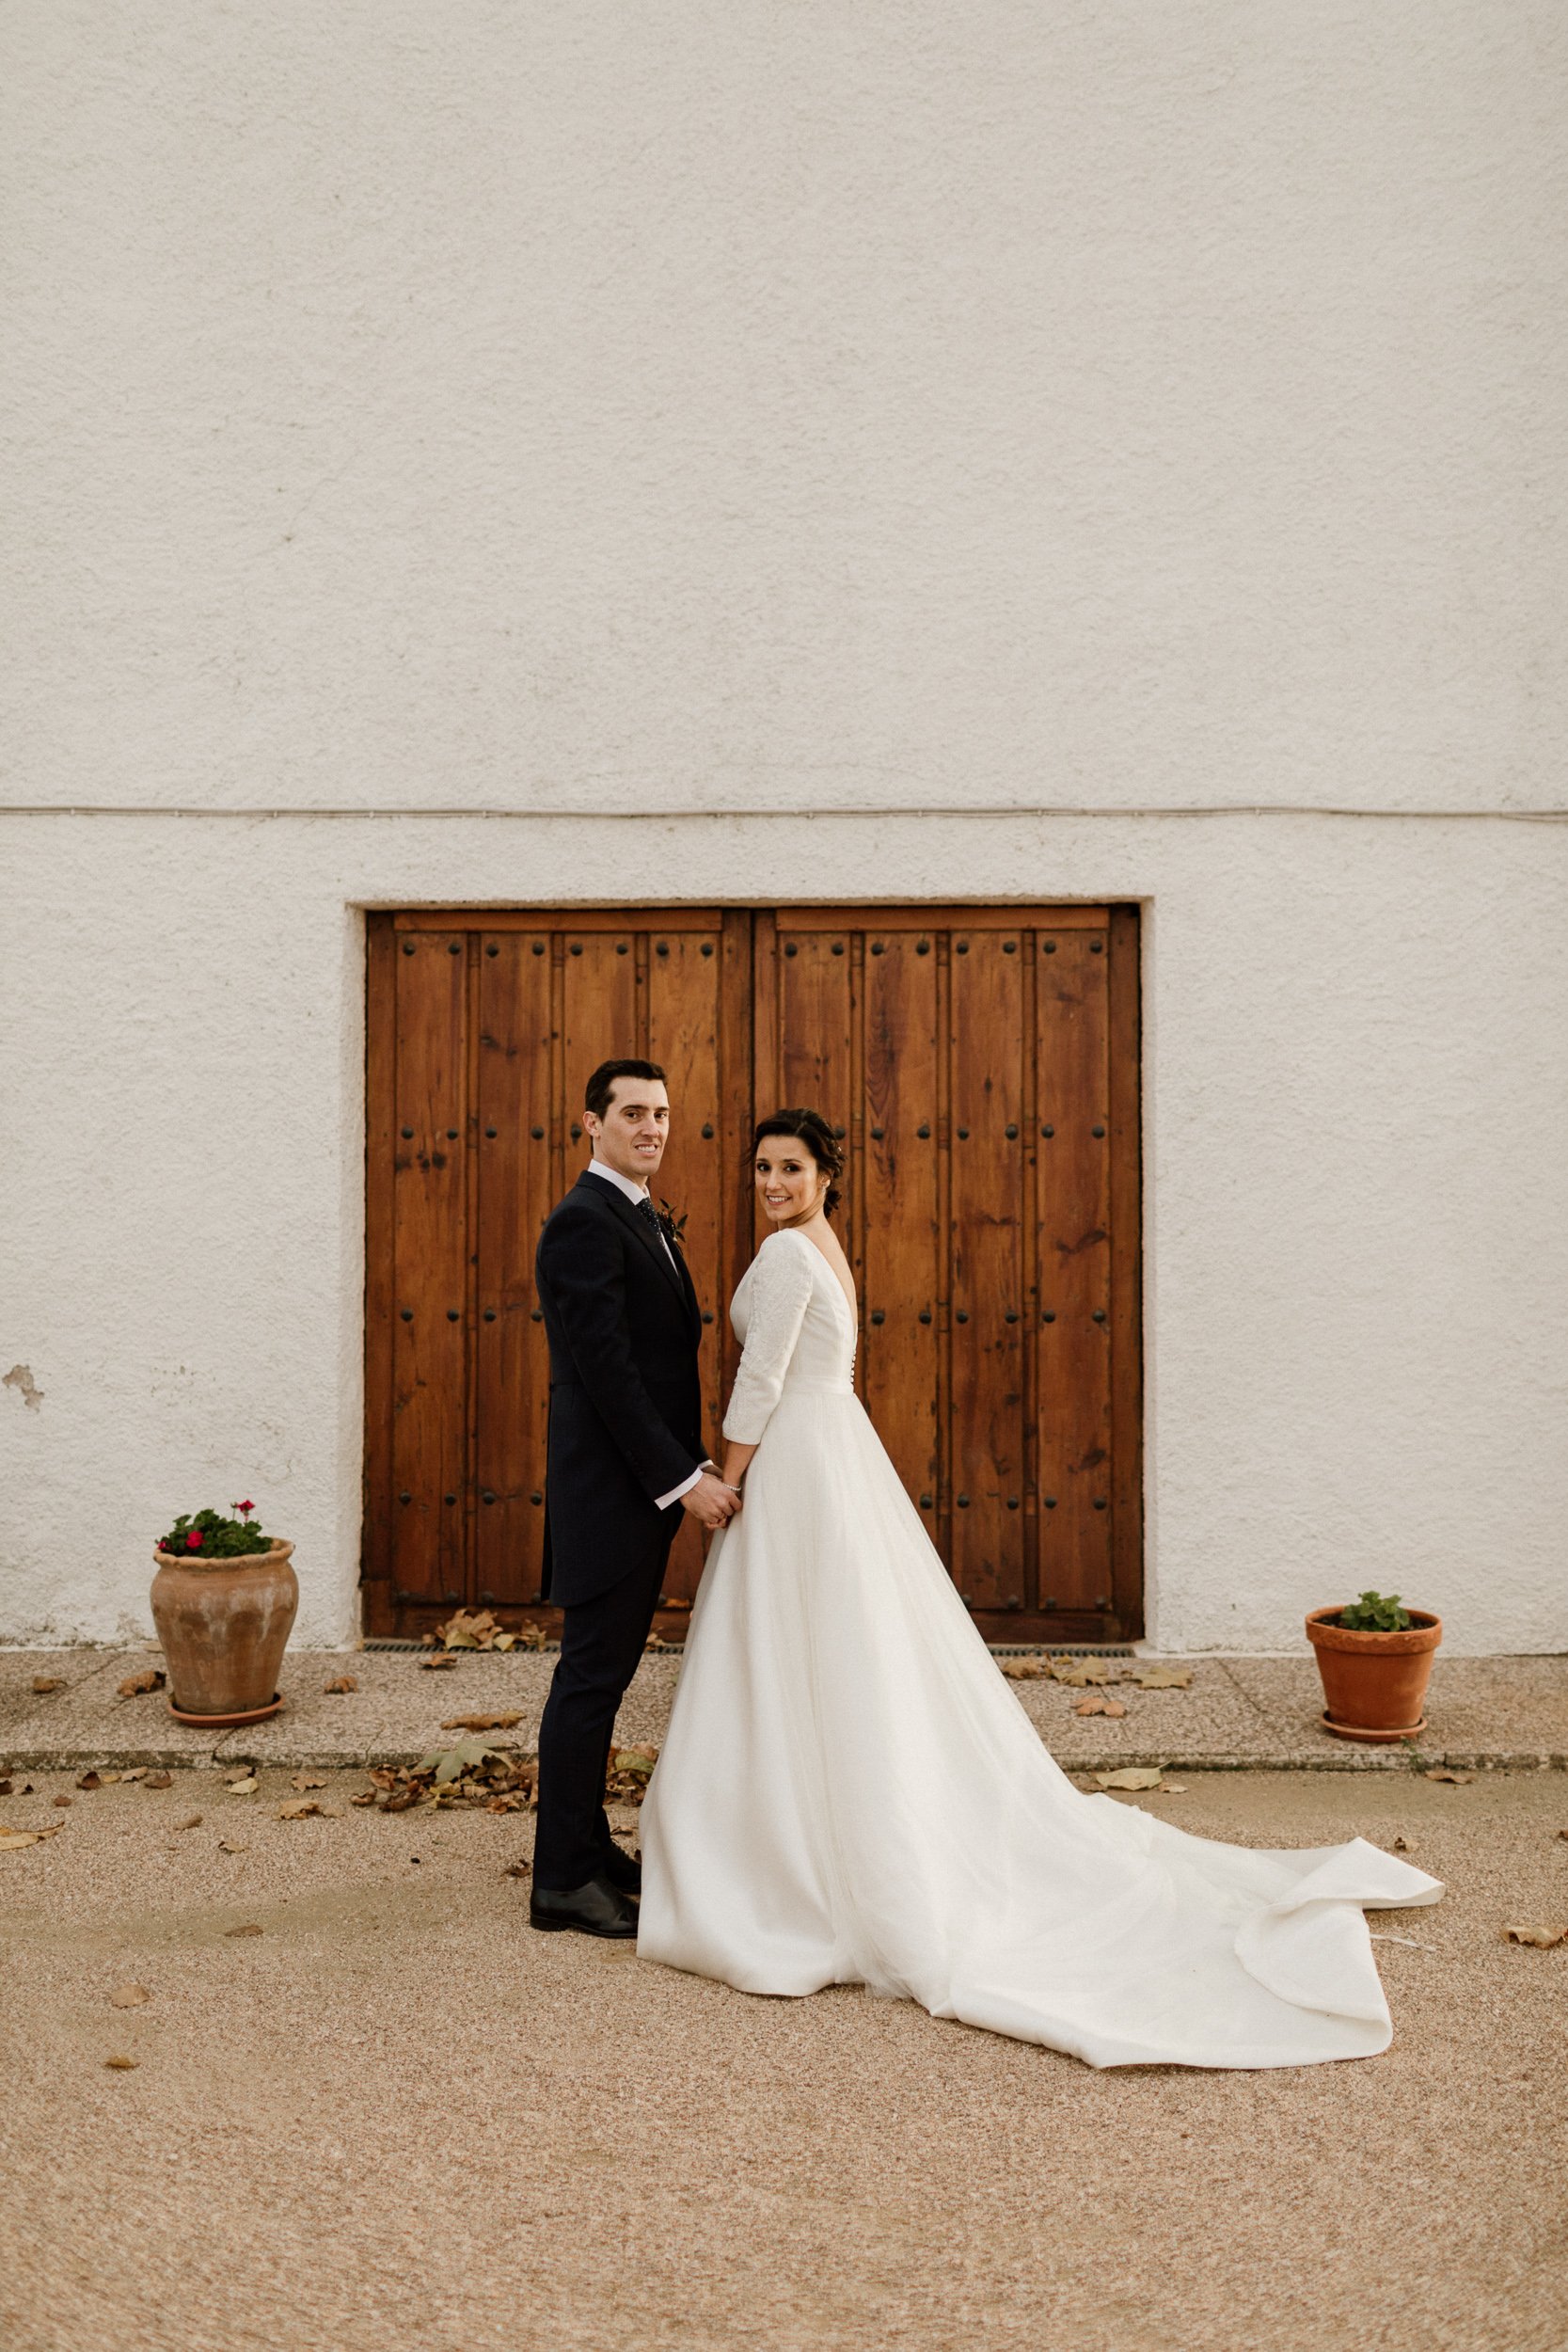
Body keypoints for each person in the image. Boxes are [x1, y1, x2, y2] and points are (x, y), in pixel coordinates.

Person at [636, 1107, 1445, 2069]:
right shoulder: (821, 1245)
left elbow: (762, 1378)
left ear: (826, 1175)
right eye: (761, 1168)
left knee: (792, 1647)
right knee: (842, 1647)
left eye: (790, 1168)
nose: (770, 1183)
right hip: (836, 1454)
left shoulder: (781, 1258)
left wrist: (726, 1478)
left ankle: (784, 1856)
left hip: (797, 1461)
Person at [530, 1058, 737, 1940]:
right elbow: (609, 1375)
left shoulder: (638, 1215)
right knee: (589, 1682)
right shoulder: (583, 1222)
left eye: (660, 1114)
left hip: (635, 1494)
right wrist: (684, 1478)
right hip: (612, 1494)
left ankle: (585, 1846)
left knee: (602, 1680)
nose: (650, 1128)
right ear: (591, 1124)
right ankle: (559, 1883)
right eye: (632, 1114)